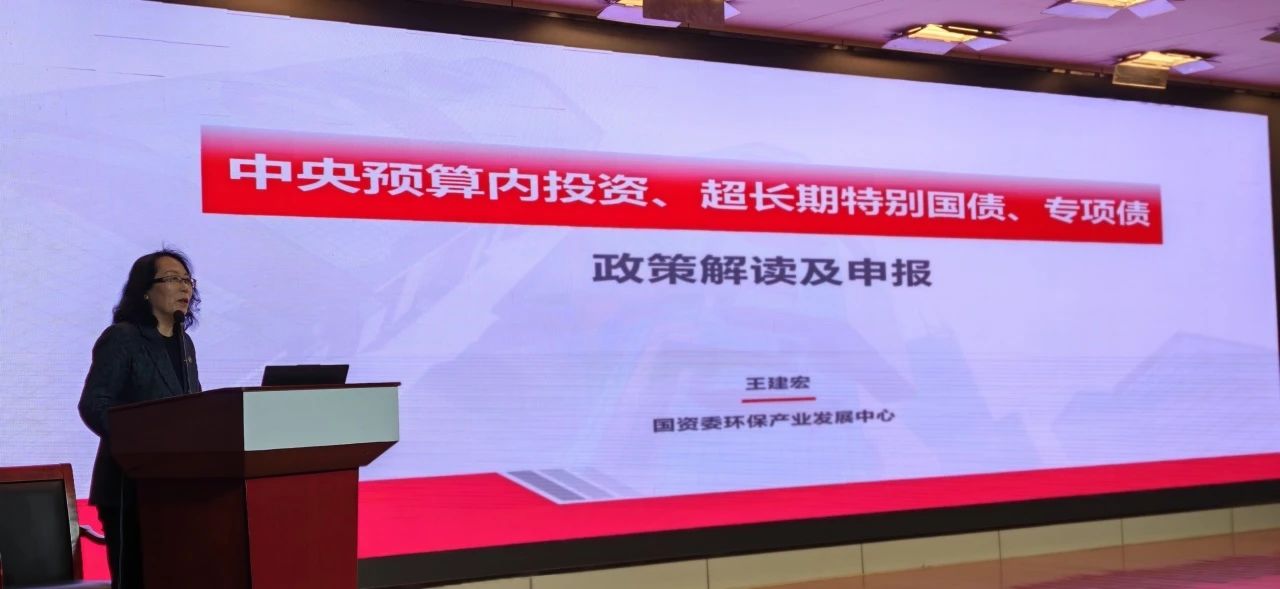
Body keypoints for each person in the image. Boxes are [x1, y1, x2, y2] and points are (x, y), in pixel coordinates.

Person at [78, 249, 203, 589]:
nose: (185, 287)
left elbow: (191, 407)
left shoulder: (185, 344)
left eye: (187, 280)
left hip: (175, 486)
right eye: (172, 279)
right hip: (129, 486)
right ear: (145, 290)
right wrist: (142, 444)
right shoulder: (123, 337)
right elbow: (94, 404)